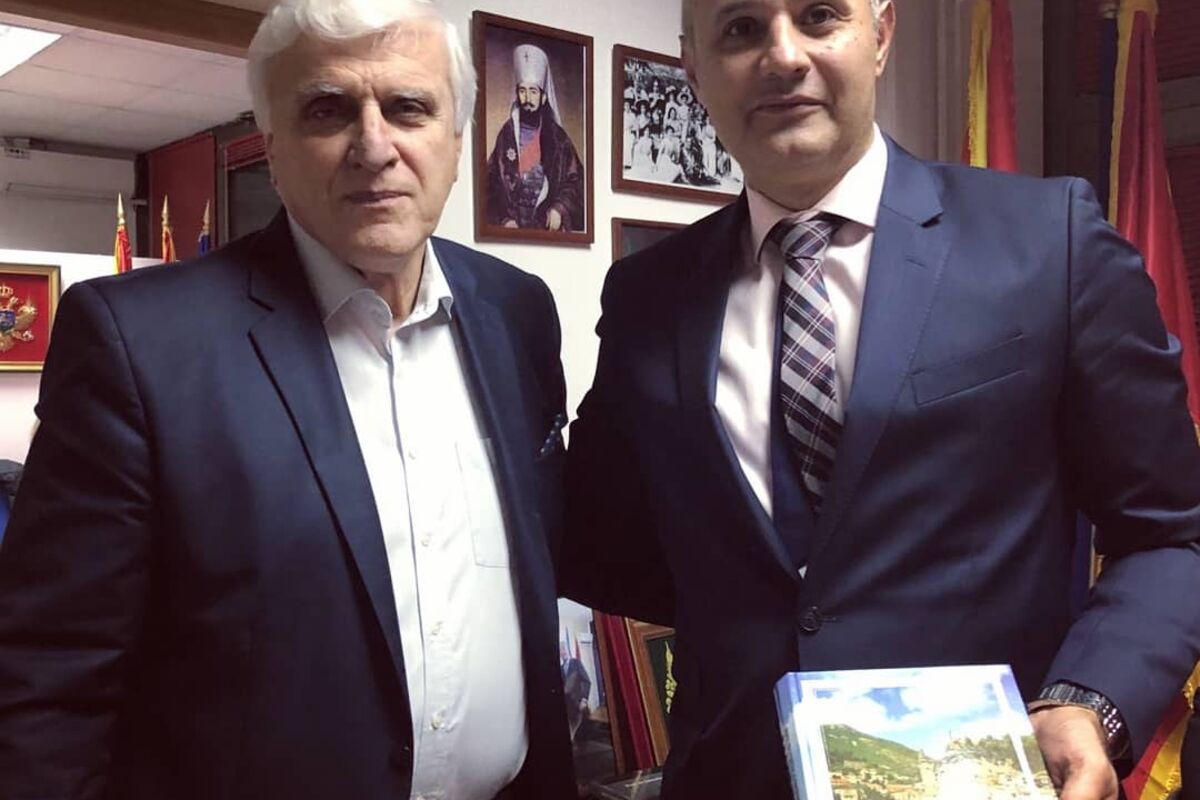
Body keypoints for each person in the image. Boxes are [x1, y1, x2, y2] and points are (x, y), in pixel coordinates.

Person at [562, 0, 1200, 798]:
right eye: (741, 28)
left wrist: (1088, 702)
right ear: (693, 67)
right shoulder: (646, 296)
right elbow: (609, 545)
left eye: (819, 16)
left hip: (973, 777)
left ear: (882, 34)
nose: (783, 56)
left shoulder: (1048, 242)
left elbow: (1173, 536)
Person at [0, 1, 575, 799]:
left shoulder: (517, 311)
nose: (374, 146)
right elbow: (50, 680)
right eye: (327, 110)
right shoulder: (139, 343)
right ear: (272, 148)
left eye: (409, 107)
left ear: (456, 142)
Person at [485, 44, 585, 232]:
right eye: (522, 91)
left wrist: (559, 208)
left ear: (543, 97)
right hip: (513, 230)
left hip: (545, 229)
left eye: (533, 91)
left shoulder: (558, 138)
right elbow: (490, 184)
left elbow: (575, 181)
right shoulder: (506, 134)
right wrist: (504, 219)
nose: (528, 99)